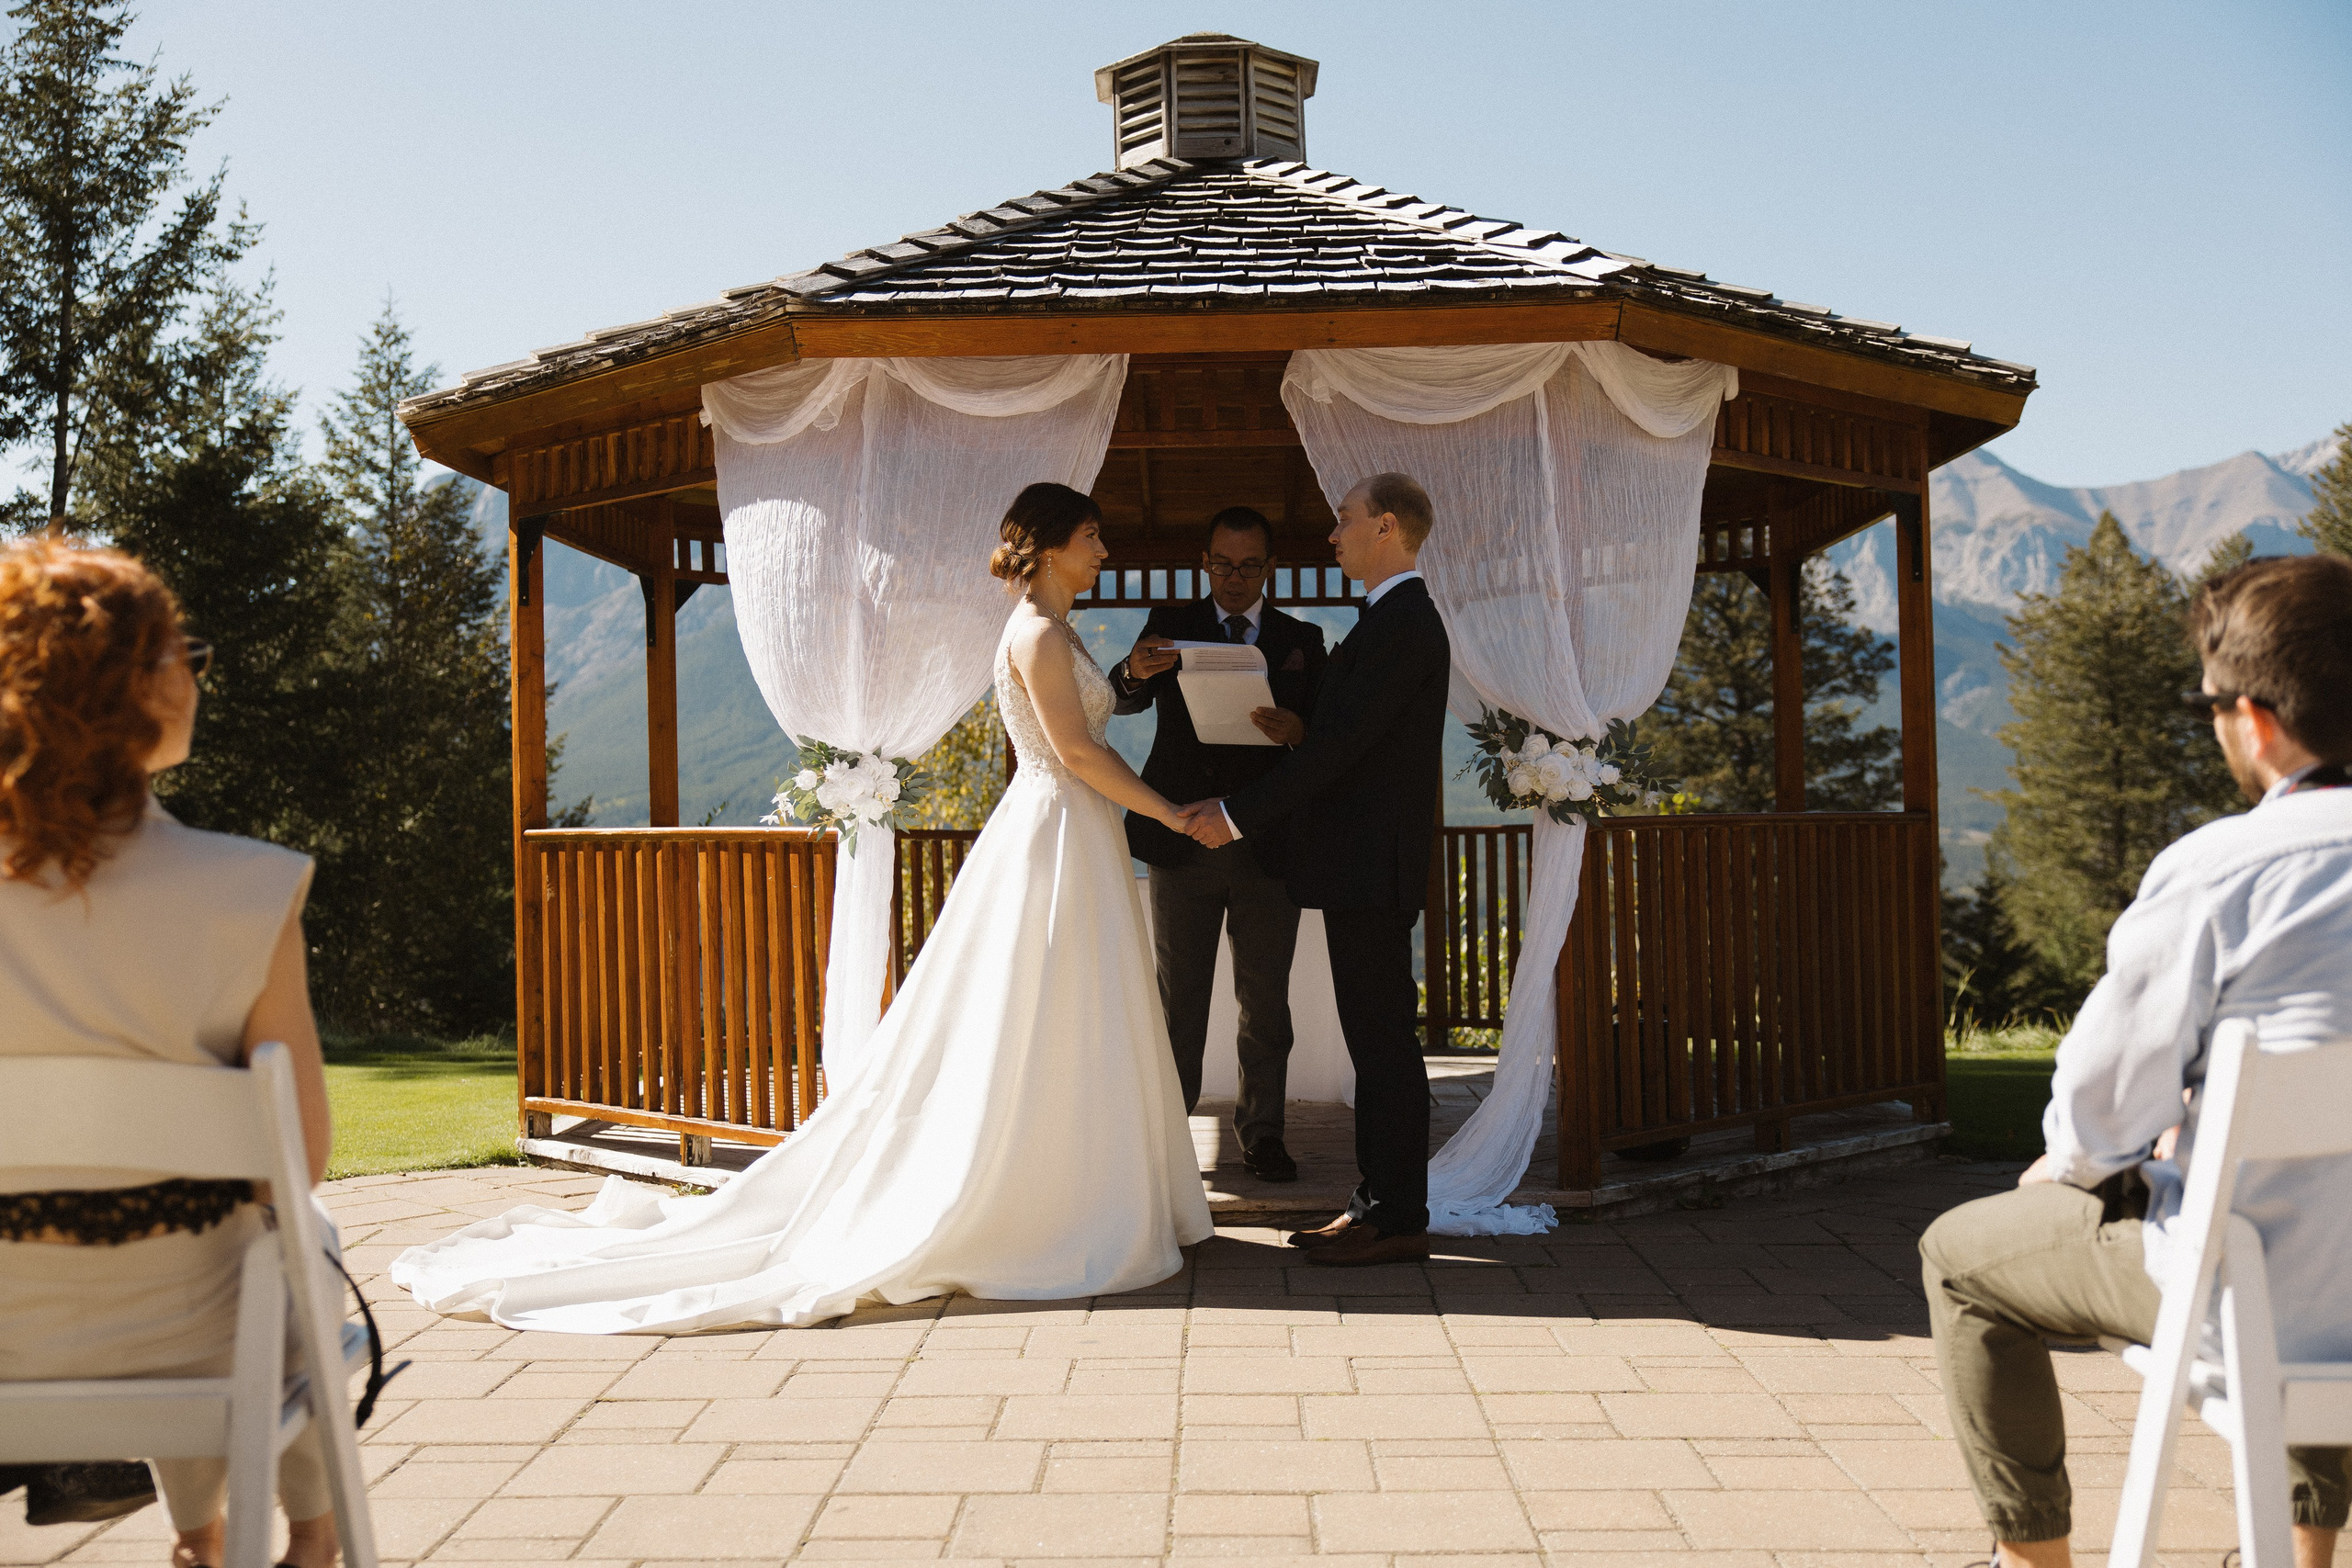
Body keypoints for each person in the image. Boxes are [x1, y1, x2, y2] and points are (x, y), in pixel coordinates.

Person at [392, 482, 1214, 1332]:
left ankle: (1080, 1190)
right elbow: (1075, 750)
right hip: (1056, 829)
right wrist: (1167, 810)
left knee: (1076, 1006)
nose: (1103, 551)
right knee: (1045, 1006)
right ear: (1046, 545)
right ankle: (1046, 1204)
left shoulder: (1057, 630)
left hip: (1074, 832)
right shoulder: (1036, 633)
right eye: (1091, 536)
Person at [1918, 553, 2352, 1568]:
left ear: (2254, 721)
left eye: (2209, 706)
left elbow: (2099, 1110)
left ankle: (2033, 1563)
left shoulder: (2221, 871)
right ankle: (2301, 1553)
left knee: (1962, 1258)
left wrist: (2071, 1166)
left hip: (2254, 1300)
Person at [0, 538, 341, 1568]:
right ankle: (312, 1534)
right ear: (135, 691)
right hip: (198, 1339)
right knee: (277, 1248)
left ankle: (201, 1536)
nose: (194, 673)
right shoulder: (249, 890)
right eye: (179, 652)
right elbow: (297, 1165)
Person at [1178, 472, 1451, 1269]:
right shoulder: (1388, 618)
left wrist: (1235, 814)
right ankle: (1376, 1202)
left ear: (1386, 527)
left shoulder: (1404, 621)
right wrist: (1298, 729)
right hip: (1360, 865)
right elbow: (1340, 737)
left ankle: (1395, 1217)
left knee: (1384, 1043)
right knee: (1374, 1038)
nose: (1332, 534)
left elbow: (1340, 753)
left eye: (1345, 519)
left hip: (1373, 866)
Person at [1110, 505, 1328, 1182]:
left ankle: (1263, 1135)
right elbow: (1121, 701)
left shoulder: (1302, 638)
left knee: (1265, 1002)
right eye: (1223, 565)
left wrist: (1296, 730)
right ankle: (1167, 1140)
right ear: (1204, 563)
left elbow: (1327, 737)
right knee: (1178, 999)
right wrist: (1133, 670)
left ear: (1271, 567)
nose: (1235, 578)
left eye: (1249, 566)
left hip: (1267, 845)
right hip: (1182, 839)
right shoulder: (1169, 624)